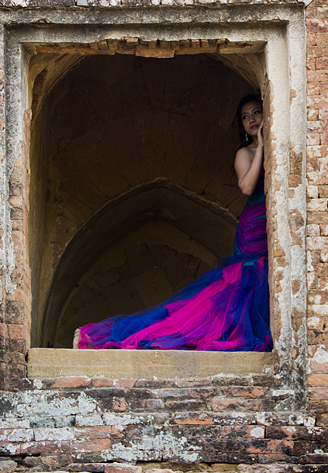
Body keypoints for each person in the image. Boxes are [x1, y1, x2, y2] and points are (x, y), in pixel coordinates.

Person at [77, 93, 272, 352]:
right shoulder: (244, 153)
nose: (251, 120)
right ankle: (110, 336)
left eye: (257, 112)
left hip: (271, 225)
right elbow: (247, 187)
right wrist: (260, 146)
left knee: (265, 282)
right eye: (245, 117)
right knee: (246, 282)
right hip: (253, 229)